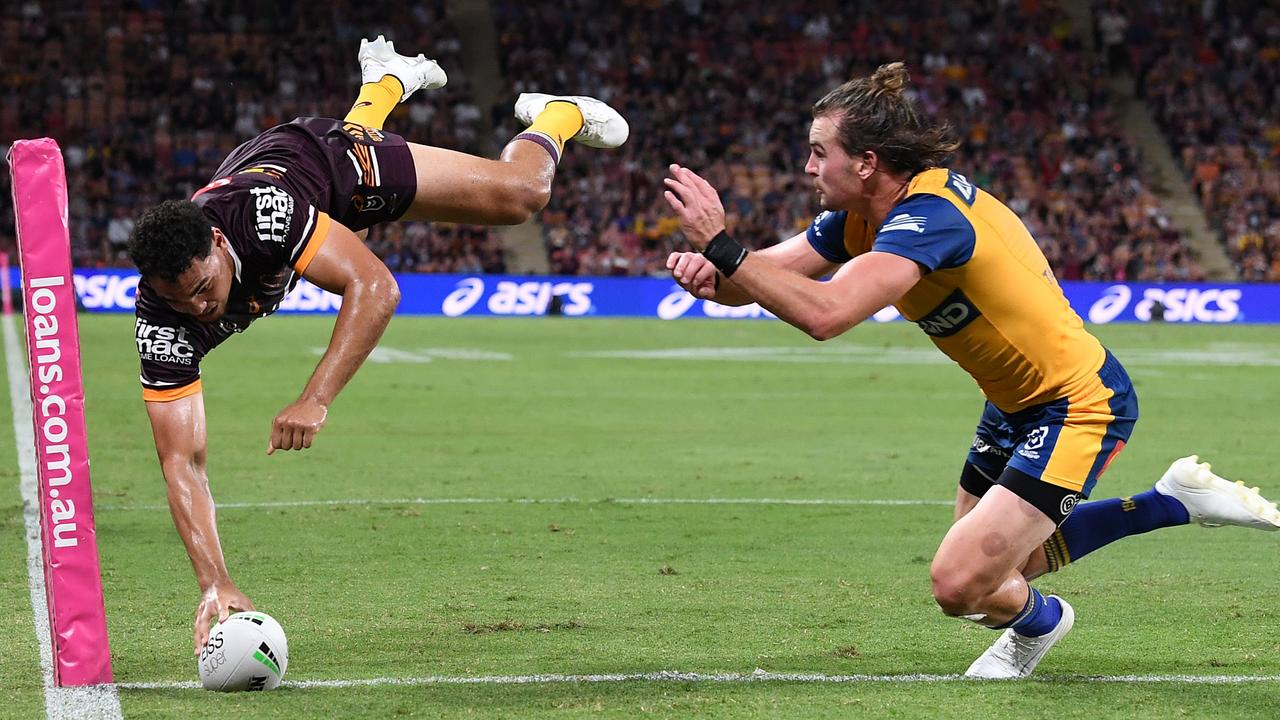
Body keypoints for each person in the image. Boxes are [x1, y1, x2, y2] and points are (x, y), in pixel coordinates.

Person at [662, 62, 1279, 679]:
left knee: (960, 584)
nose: (808, 168)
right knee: (995, 575)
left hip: (1078, 401)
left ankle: (1050, 613)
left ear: (868, 162)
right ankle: (1169, 504)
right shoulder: (860, 218)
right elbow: (760, 277)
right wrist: (711, 276)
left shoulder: (931, 218)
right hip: (1011, 403)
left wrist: (724, 249)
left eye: (819, 152)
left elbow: (828, 314)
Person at [127, 36, 628, 654]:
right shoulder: (162, 320)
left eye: (204, 288)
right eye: (181, 302)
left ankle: (558, 113)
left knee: (519, 197)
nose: (199, 308)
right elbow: (182, 460)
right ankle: (384, 81)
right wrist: (214, 582)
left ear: (218, 244)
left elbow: (376, 285)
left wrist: (316, 398)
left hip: (322, 168)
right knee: (353, 233)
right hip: (277, 180)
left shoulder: (262, 221)